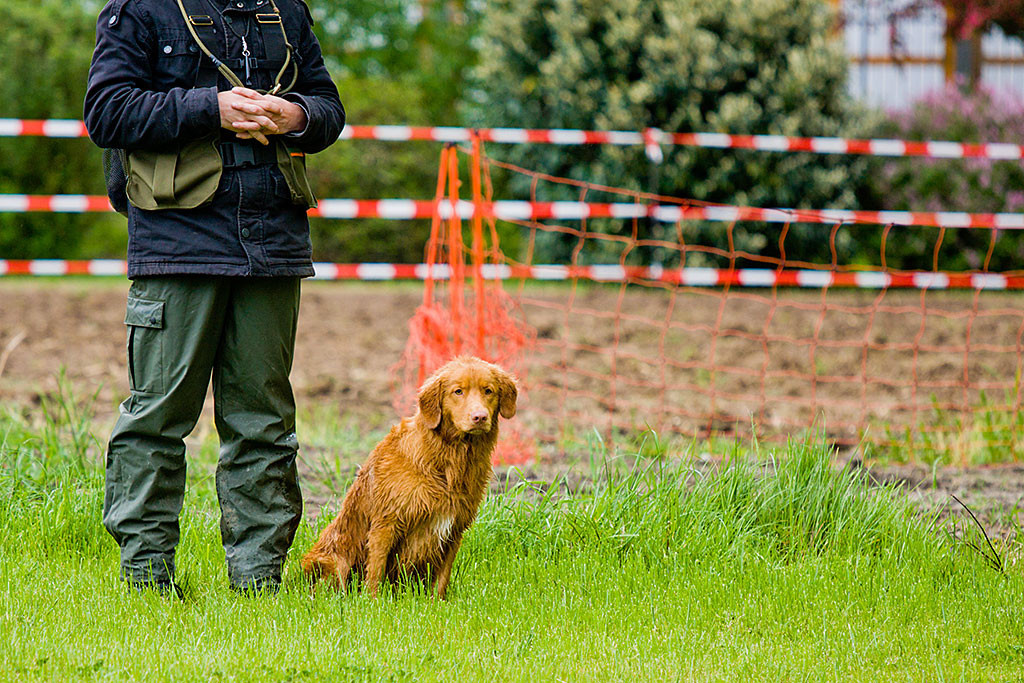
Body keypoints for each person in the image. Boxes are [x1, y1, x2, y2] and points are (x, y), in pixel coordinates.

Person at [84, 0, 344, 596]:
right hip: (178, 244)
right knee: (156, 419)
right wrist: (214, 108)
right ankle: (147, 579)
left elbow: (329, 108)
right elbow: (106, 111)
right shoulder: (139, 10)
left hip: (272, 243)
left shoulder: (286, 11)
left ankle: (258, 581)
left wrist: (294, 115)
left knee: (264, 424)